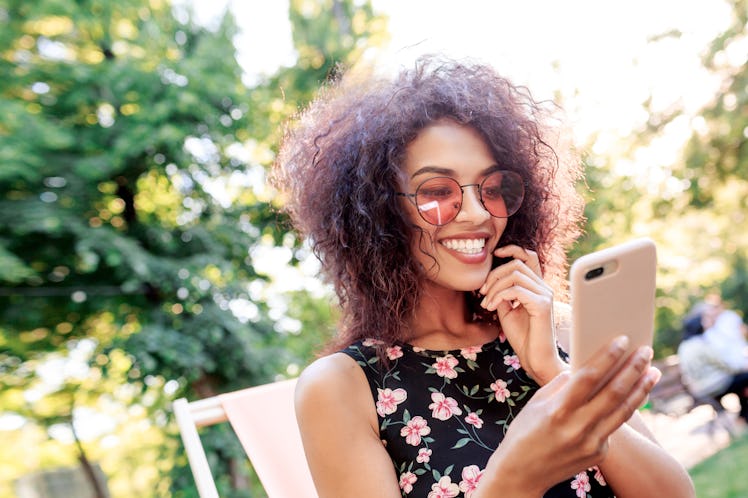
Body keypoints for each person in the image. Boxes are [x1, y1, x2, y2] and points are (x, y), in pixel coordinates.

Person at [271, 56, 695, 497]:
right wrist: (514, 480)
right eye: (437, 192)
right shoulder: (342, 387)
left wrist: (554, 372)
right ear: (379, 213)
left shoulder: (554, 330)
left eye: (492, 188)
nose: (477, 213)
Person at [678, 298, 748, 427]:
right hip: (714, 386)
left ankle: (743, 417)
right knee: (744, 378)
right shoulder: (701, 344)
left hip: (701, 388)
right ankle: (744, 416)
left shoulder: (684, 346)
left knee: (742, 382)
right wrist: (742, 367)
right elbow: (725, 365)